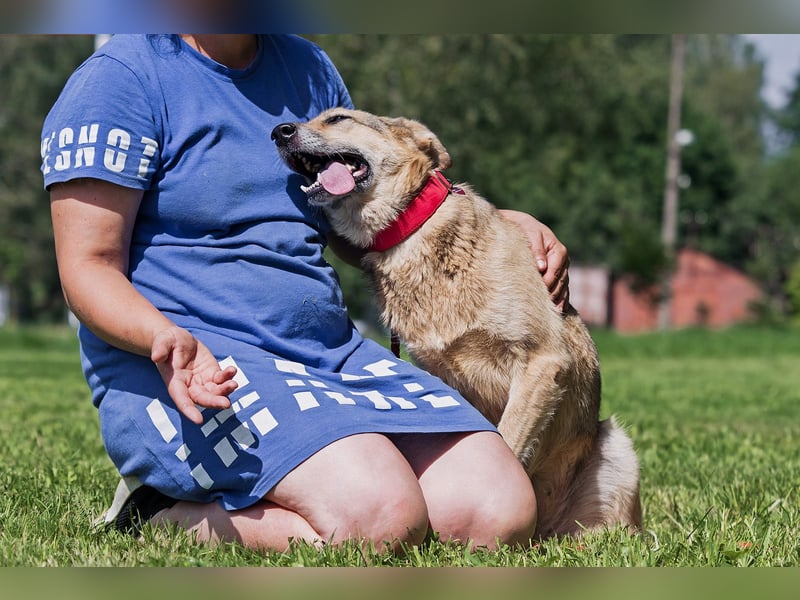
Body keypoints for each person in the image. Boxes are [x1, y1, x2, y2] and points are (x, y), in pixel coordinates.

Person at [43, 34, 570, 554]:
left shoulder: (307, 67)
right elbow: (87, 267)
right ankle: (157, 514)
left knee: (496, 511)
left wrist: (495, 223)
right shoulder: (120, 79)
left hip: (326, 353)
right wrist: (162, 336)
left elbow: (358, 221)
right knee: (383, 517)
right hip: (193, 365)